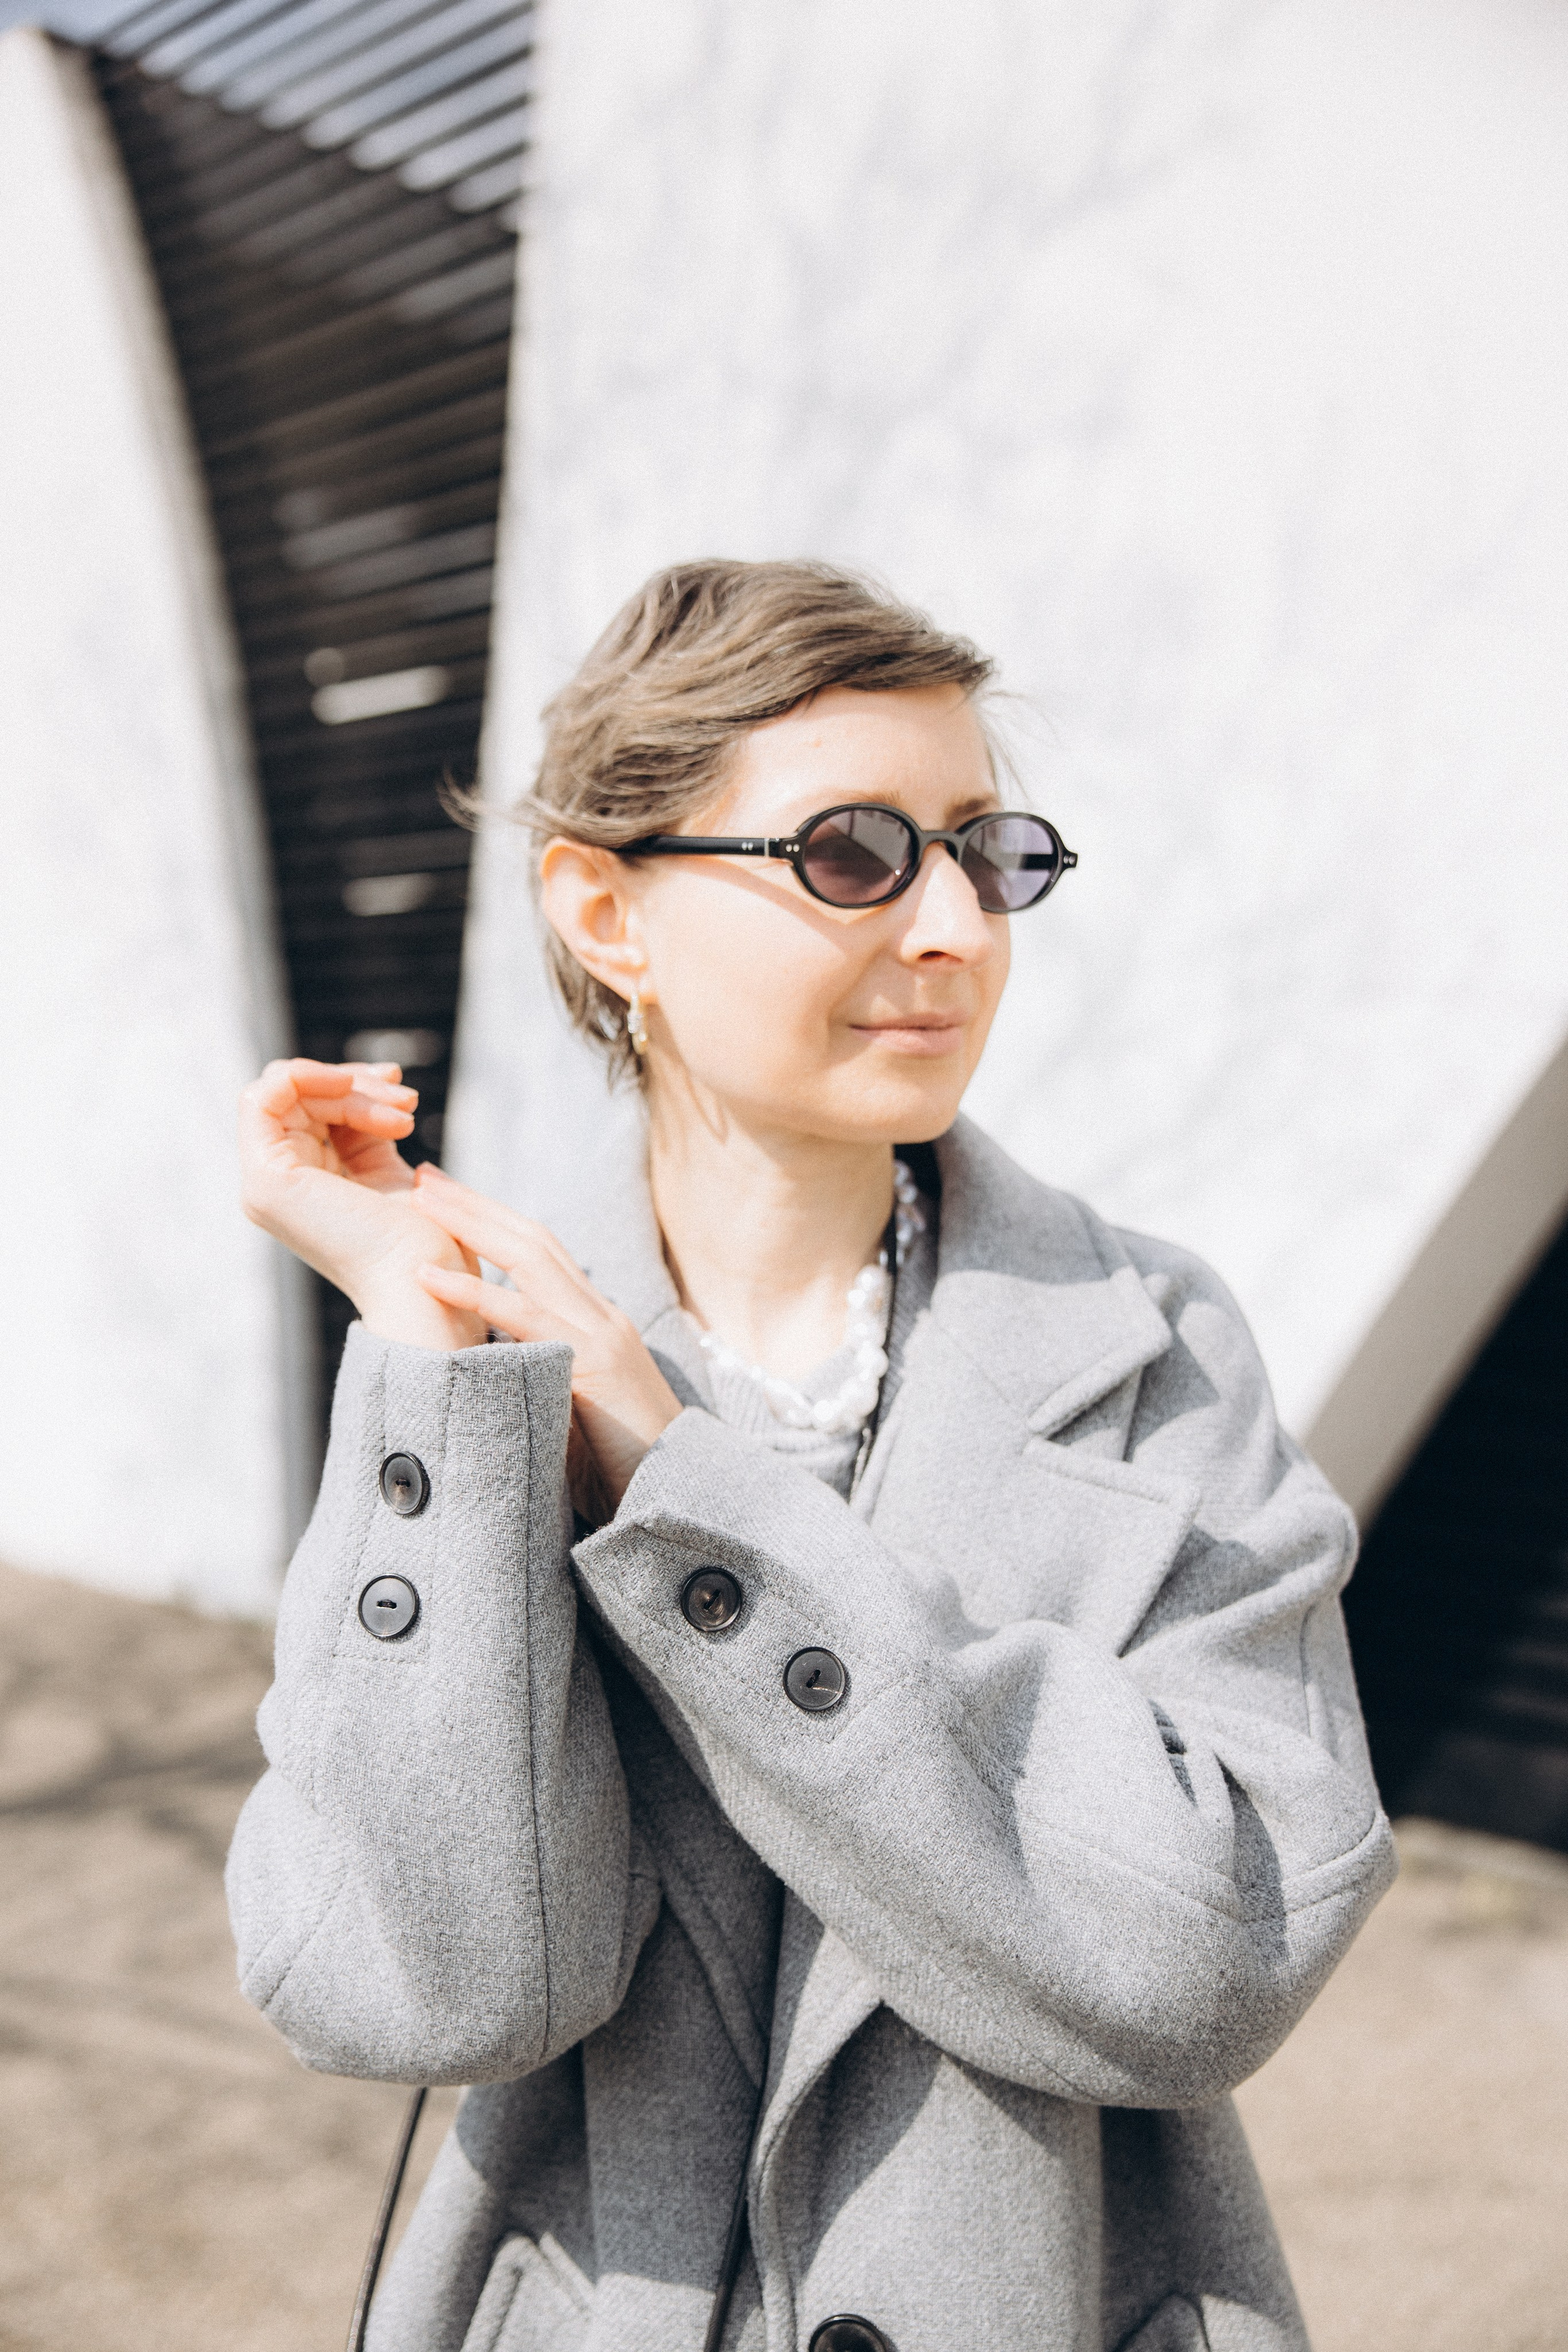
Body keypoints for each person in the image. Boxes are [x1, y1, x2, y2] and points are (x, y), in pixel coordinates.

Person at [229, 560, 1394, 2352]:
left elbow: (1217, 1956)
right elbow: (432, 1990)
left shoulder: (1156, 1344)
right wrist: (424, 1355)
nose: (956, 927)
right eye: (852, 853)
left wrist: (690, 1493)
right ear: (609, 917)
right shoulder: (472, 1372)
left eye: (989, 853)